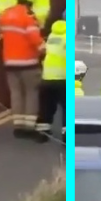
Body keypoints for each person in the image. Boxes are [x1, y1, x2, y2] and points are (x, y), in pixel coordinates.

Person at [0, 0, 45, 137]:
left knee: (15, 93)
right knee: (31, 93)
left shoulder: (5, 15)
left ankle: (18, 126)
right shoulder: (28, 17)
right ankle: (29, 127)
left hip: (10, 62)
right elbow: (35, 40)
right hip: (29, 63)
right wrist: (45, 49)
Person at [37, 14, 66, 142]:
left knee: (46, 106)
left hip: (47, 78)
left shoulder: (51, 37)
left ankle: (42, 133)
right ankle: (67, 135)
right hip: (62, 79)